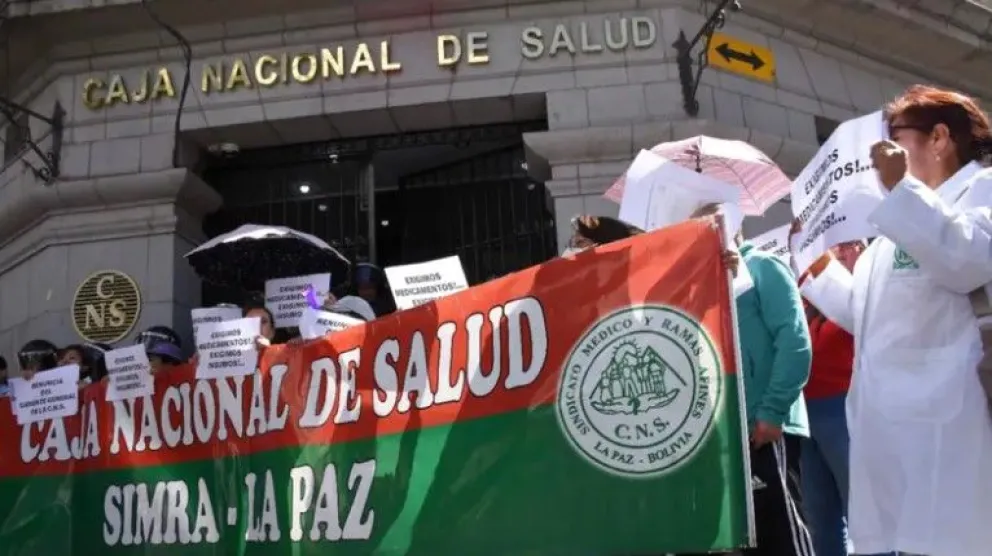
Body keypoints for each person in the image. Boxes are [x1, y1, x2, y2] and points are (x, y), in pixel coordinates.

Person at [799, 84, 992, 555]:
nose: (879, 151)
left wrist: (901, 188)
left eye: (895, 136)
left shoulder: (980, 189)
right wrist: (816, 266)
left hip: (949, 424)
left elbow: (969, 258)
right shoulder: (891, 225)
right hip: (889, 431)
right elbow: (867, 319)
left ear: (940, 137)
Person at [689, 204, 814, 556]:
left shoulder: (763, 267)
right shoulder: (705, 284)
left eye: (717, 220)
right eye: (700, 224)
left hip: (765, 429)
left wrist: (771, 413)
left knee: (783, 539)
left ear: (735, 223)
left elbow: (795, 343)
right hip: (728, 434)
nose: (709, 229)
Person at [795, 238, 866, 556]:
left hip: (846, 409)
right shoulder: (809, 302)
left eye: (850, 245)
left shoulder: (863, 295)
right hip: (809, 415)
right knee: (820, 514)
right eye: (837, 246)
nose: (842, 251)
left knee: (864, 514)